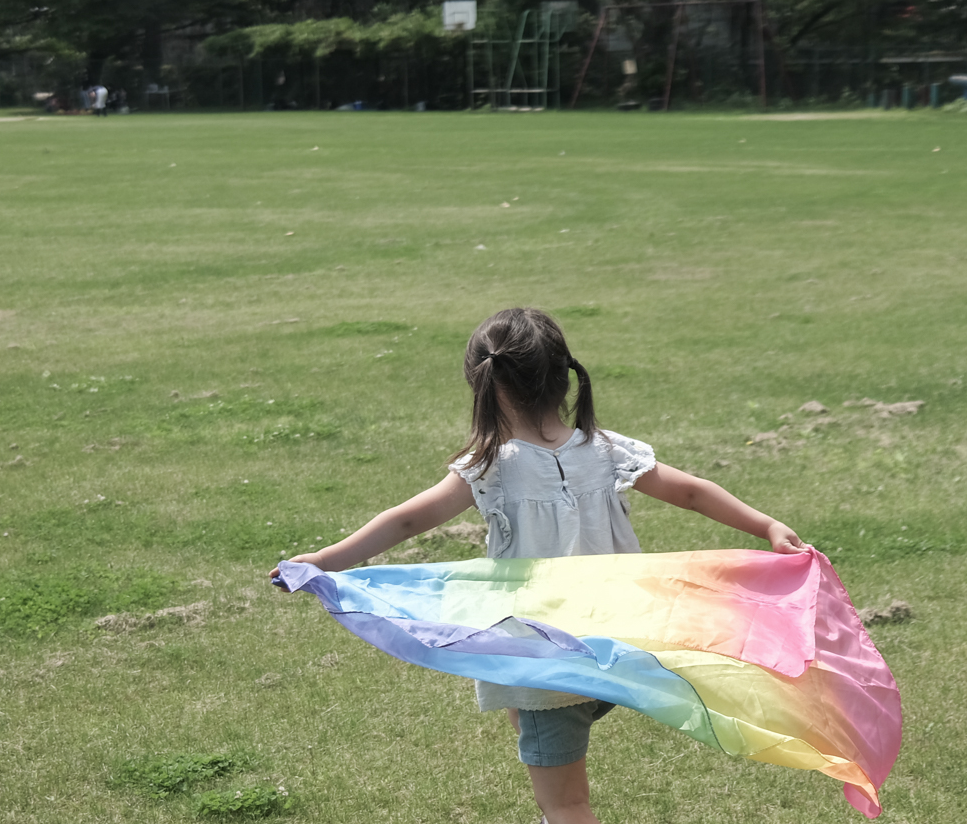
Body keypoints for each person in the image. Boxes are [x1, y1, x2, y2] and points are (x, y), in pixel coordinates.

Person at [269, 307, 806, 824]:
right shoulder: (605, 450)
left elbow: (408, 520)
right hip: (621, 645)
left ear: (484, 385)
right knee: (524, 709)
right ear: (564, 379)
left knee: (566, 805)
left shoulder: (490, 467)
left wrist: (323, 559)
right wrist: (767, 525)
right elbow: (691, 491)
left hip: (547, 658)